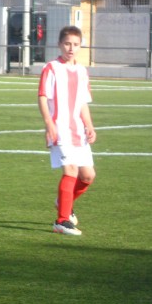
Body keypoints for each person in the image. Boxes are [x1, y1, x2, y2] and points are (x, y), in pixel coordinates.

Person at [38, 26, 97, 236]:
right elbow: (42, 96)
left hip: (77, 130)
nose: (71, 48)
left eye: (75, 44)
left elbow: (82, 102)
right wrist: (49, 123)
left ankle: (64, 201)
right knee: (70, 170)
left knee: (88, 176)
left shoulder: (82, 71)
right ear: (59, 45)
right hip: (60, 128)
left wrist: (89, 125)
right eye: (67, 44)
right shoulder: (51, 68)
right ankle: (62, 221)